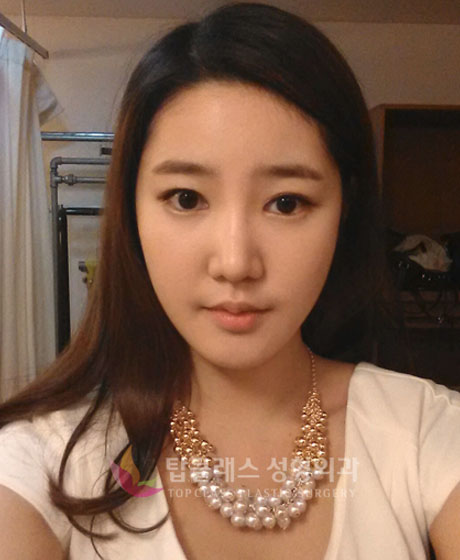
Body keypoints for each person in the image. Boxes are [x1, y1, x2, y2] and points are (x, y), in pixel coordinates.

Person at [0, 2, 459, 559]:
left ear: (345, 211)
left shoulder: (424, 431)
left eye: (286, 203)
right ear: (131, 211)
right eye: (186, 198)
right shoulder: (45, 459)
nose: (236, 262)